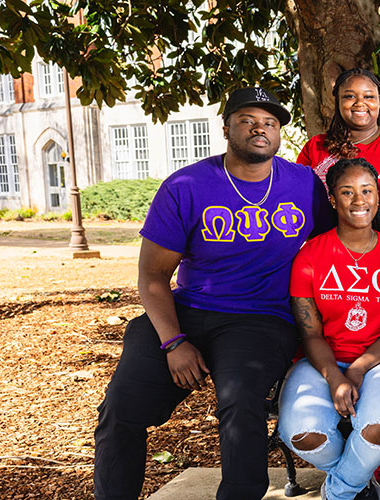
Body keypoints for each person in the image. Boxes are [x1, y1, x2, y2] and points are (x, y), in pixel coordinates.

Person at [94, 88, 332, 500]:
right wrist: (173, 341)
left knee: (241, 403)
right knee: (120, 410)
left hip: (263, 319)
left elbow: (335, 245)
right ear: (225, 128)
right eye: (247, 120)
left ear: (279, 135)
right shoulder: (186, 186)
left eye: (270, 122)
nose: (260, 128)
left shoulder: (304, 183)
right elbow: (152, 277)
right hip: (186, 312)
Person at [278, 158, 380, 500]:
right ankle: (359, 479)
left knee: (379, 432)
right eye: (347, 192)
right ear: (333, 200)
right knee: (303, 436)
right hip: (320, 362)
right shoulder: (309, 256)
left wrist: (359, 368)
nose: (358, 200)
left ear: (378, 198)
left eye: (367, 191)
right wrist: (336, 378)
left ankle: (339, 491)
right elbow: (310, 333)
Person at [298, 67, 380, 242]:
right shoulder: (316, 146)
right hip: (328, 251)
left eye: (368, 96)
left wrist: (365, 219)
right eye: (350, 96)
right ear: (337, 101)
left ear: (379, 102)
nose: (360, 103)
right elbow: (298, 198)